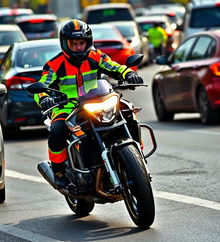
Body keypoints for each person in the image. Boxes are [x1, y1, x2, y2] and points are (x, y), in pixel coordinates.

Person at [34, 19, 144, 188]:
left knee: (127, 110)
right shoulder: (54, 64)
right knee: (57, 131)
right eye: (74, 43)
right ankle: (58, 172)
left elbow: (114, 67)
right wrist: (44, 98)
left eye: (82, 43)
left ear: (88, 42)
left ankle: (137, 153)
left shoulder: (96, 56)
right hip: (68, 108)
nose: (78, 47)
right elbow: (44, 85)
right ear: (65, 43)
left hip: (99, 101)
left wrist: (129, 74)